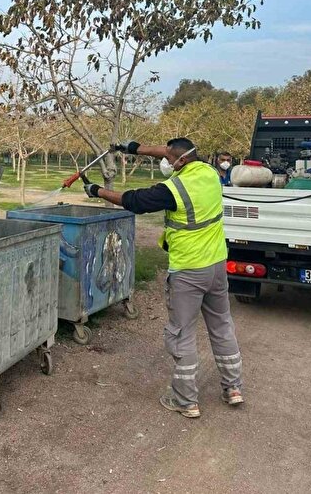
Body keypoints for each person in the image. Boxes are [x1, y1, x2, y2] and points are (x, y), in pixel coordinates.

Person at [83, 137, 243, 419]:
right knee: (221, 326)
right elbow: (169, 150)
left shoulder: (174, 189)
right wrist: (132, 148)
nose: (165, 161)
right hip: (217, 266)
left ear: (180, 161)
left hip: (188, 271)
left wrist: (96, 190)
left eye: (169, 159)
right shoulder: (209, 172)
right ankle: (233, 388)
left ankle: (185, 400)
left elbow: (133, 200)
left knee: (182, 334)